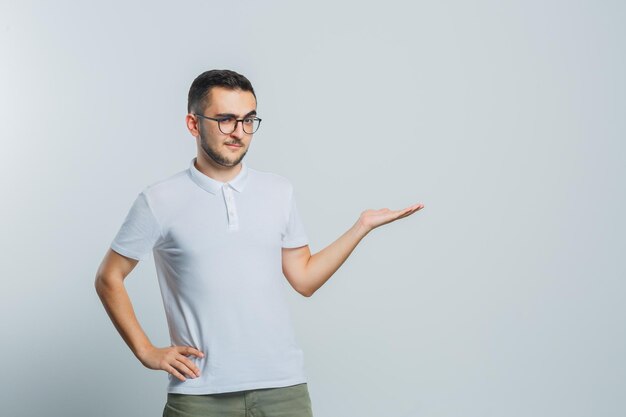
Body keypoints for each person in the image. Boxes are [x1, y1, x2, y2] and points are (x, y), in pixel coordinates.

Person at [95, 69, 424, 417]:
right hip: (201, 394)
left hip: (283, 388)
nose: (239, 132)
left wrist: (361, 226)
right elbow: (108, 277)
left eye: (248, 120)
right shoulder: (160, 200)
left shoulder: (278, 191)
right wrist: (147, 351)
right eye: (226, 120)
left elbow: (304, 279)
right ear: (193, 124)